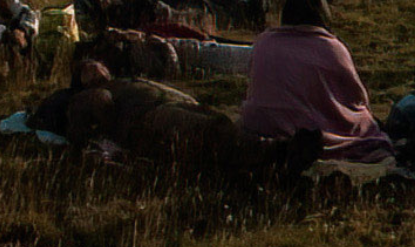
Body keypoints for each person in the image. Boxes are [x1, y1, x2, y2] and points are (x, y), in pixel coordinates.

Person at [57, 60, 321, 178]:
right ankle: (278, 152)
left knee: (220, 126)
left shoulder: (124, 80)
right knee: (212, 131)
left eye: (96, 65)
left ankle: (270, 158)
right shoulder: (89, 95)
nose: (94, 69)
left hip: (173, 105)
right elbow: (92, 115)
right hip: (150, 118)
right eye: (85, 70)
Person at [240, 0, 394, 163]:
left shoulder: (264, 42)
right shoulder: (331, 48)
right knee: (367, 124)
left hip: (261, 125)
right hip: (314, 130)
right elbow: (356, 97)